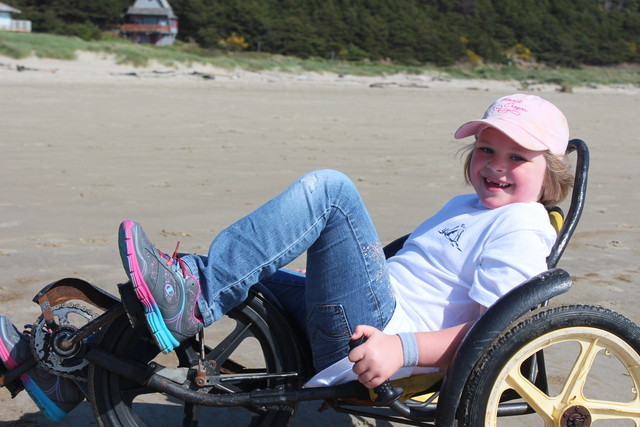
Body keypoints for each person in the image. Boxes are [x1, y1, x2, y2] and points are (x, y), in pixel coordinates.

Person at [0, 94, 574, 417]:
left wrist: (399, 350)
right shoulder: (469, 206)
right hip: (370, 317)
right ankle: (72, 373)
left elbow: (492, 333)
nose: (495, 165)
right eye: (486, 150)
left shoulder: (522, 227)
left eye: (517, 157)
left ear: (551, 172)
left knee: (331, 191)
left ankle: (190, 296)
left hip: (384, 339)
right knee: (227, 268)